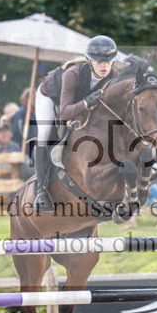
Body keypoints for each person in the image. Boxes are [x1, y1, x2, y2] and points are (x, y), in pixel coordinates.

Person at [33, 34, 120, 211]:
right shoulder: (73, 73)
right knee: (43, 135)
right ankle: (41, 191)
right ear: (89, 60)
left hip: (76, 102)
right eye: (98, 61)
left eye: (108, 61)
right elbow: (65, 113)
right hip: (50, 96)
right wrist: (87, 102)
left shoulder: (114, 77)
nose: (104, 66)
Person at [9, 88, 37, 158]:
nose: (35, 100)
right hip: (24, 146)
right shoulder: (21, 113)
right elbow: (16, 130)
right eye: (33, 98)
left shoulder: (34, 112)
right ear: (27, 98)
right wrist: (23, 142)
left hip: (33, 145)